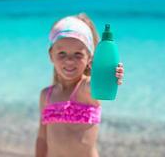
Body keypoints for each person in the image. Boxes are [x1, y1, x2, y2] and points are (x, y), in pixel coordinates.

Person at [35, 13, 124, 157]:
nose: (69, 61)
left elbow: (101, 82)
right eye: (62, 54)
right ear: (51, 55)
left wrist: (112, 75)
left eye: (78, 54)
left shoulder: (86, 89)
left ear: (89, 58)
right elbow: (42, 137)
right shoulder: (46, 95)